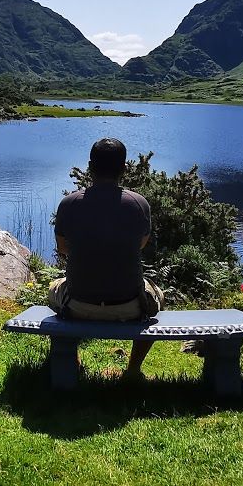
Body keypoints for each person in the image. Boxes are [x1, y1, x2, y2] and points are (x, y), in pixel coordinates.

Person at [49, 137, 164, 377]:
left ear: (90, 167)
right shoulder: (139, 204)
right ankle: (133, 370)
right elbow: (139, 245)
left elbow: (62, 249)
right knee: (157, 295)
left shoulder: (69, 203)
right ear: (124, 168)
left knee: (53, 289)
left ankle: (74, 362)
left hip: (77, 305)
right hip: (130, 307)